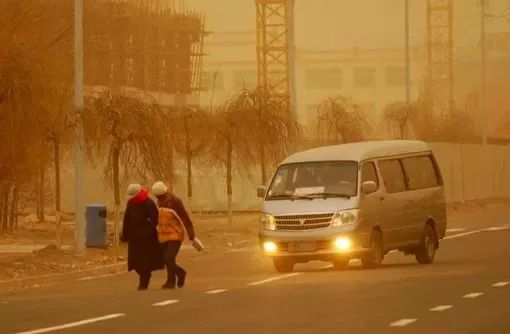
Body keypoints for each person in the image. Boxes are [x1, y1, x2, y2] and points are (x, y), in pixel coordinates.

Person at [151, 181, 195, 289]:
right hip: (163, 235)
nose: (158, 198)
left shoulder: (175, 202)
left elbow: (185, 217)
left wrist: (191, 234)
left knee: (168, 258)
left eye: (159, 196)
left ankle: (174, 278)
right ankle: (176, 277)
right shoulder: (159, 202)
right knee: (165, 259)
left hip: (175, 234)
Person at [121, 184, 163, 290]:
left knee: (144, 261)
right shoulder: (131, 203)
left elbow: (155, 219)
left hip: (146, 238)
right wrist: (124, 235)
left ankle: (144, 281)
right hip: (134, 237)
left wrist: (148, 230)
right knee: (134, 262)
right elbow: (127, 219)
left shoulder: (148, 203)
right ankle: (143, 275)